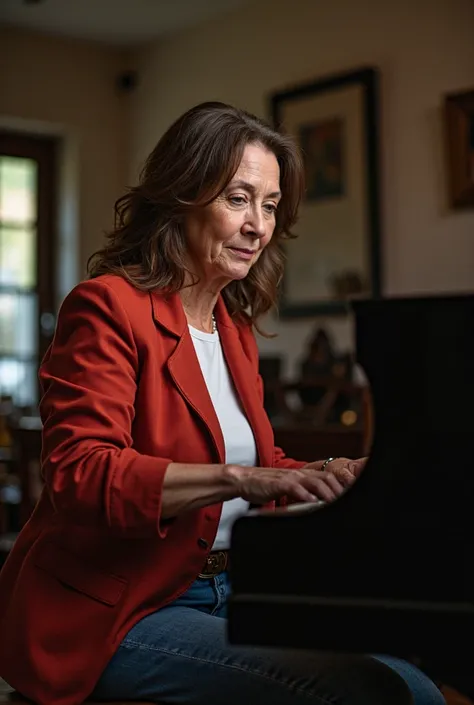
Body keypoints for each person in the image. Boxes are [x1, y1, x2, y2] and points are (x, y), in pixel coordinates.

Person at [0, 102, 445, 705]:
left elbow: (260, 463)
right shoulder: (106, 307)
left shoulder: (230, 324)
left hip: (235, 590)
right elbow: (82, 474)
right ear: (182, 197)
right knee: (366, 690)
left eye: (269, 204)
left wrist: (327, 473)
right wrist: (239, 479)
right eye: (238, 199)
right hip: (124, 612)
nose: (259, 225)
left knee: (410, 679)